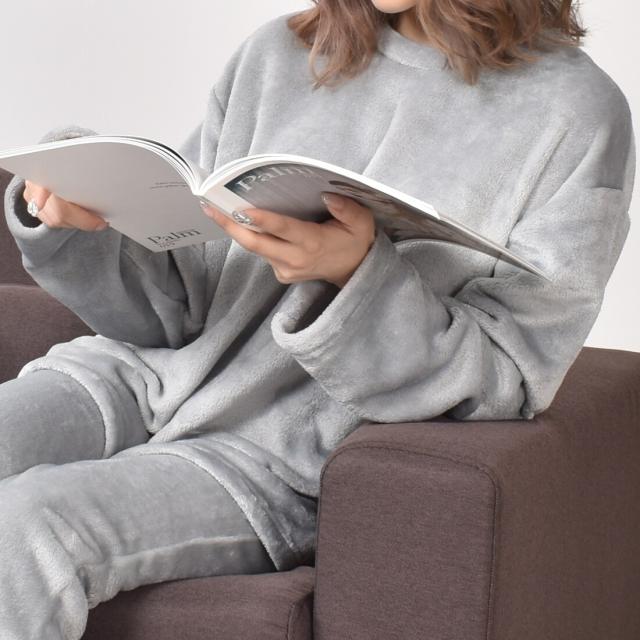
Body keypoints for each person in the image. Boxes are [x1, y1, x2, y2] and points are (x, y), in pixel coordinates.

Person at [1, 0, 635, 637]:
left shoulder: (575, 113)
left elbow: (508, 377)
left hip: (275, 459)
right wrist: (82, 221)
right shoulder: (279, 51)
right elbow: (178, 300)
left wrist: (357, 277)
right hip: (130, 379)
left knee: (27, 524)